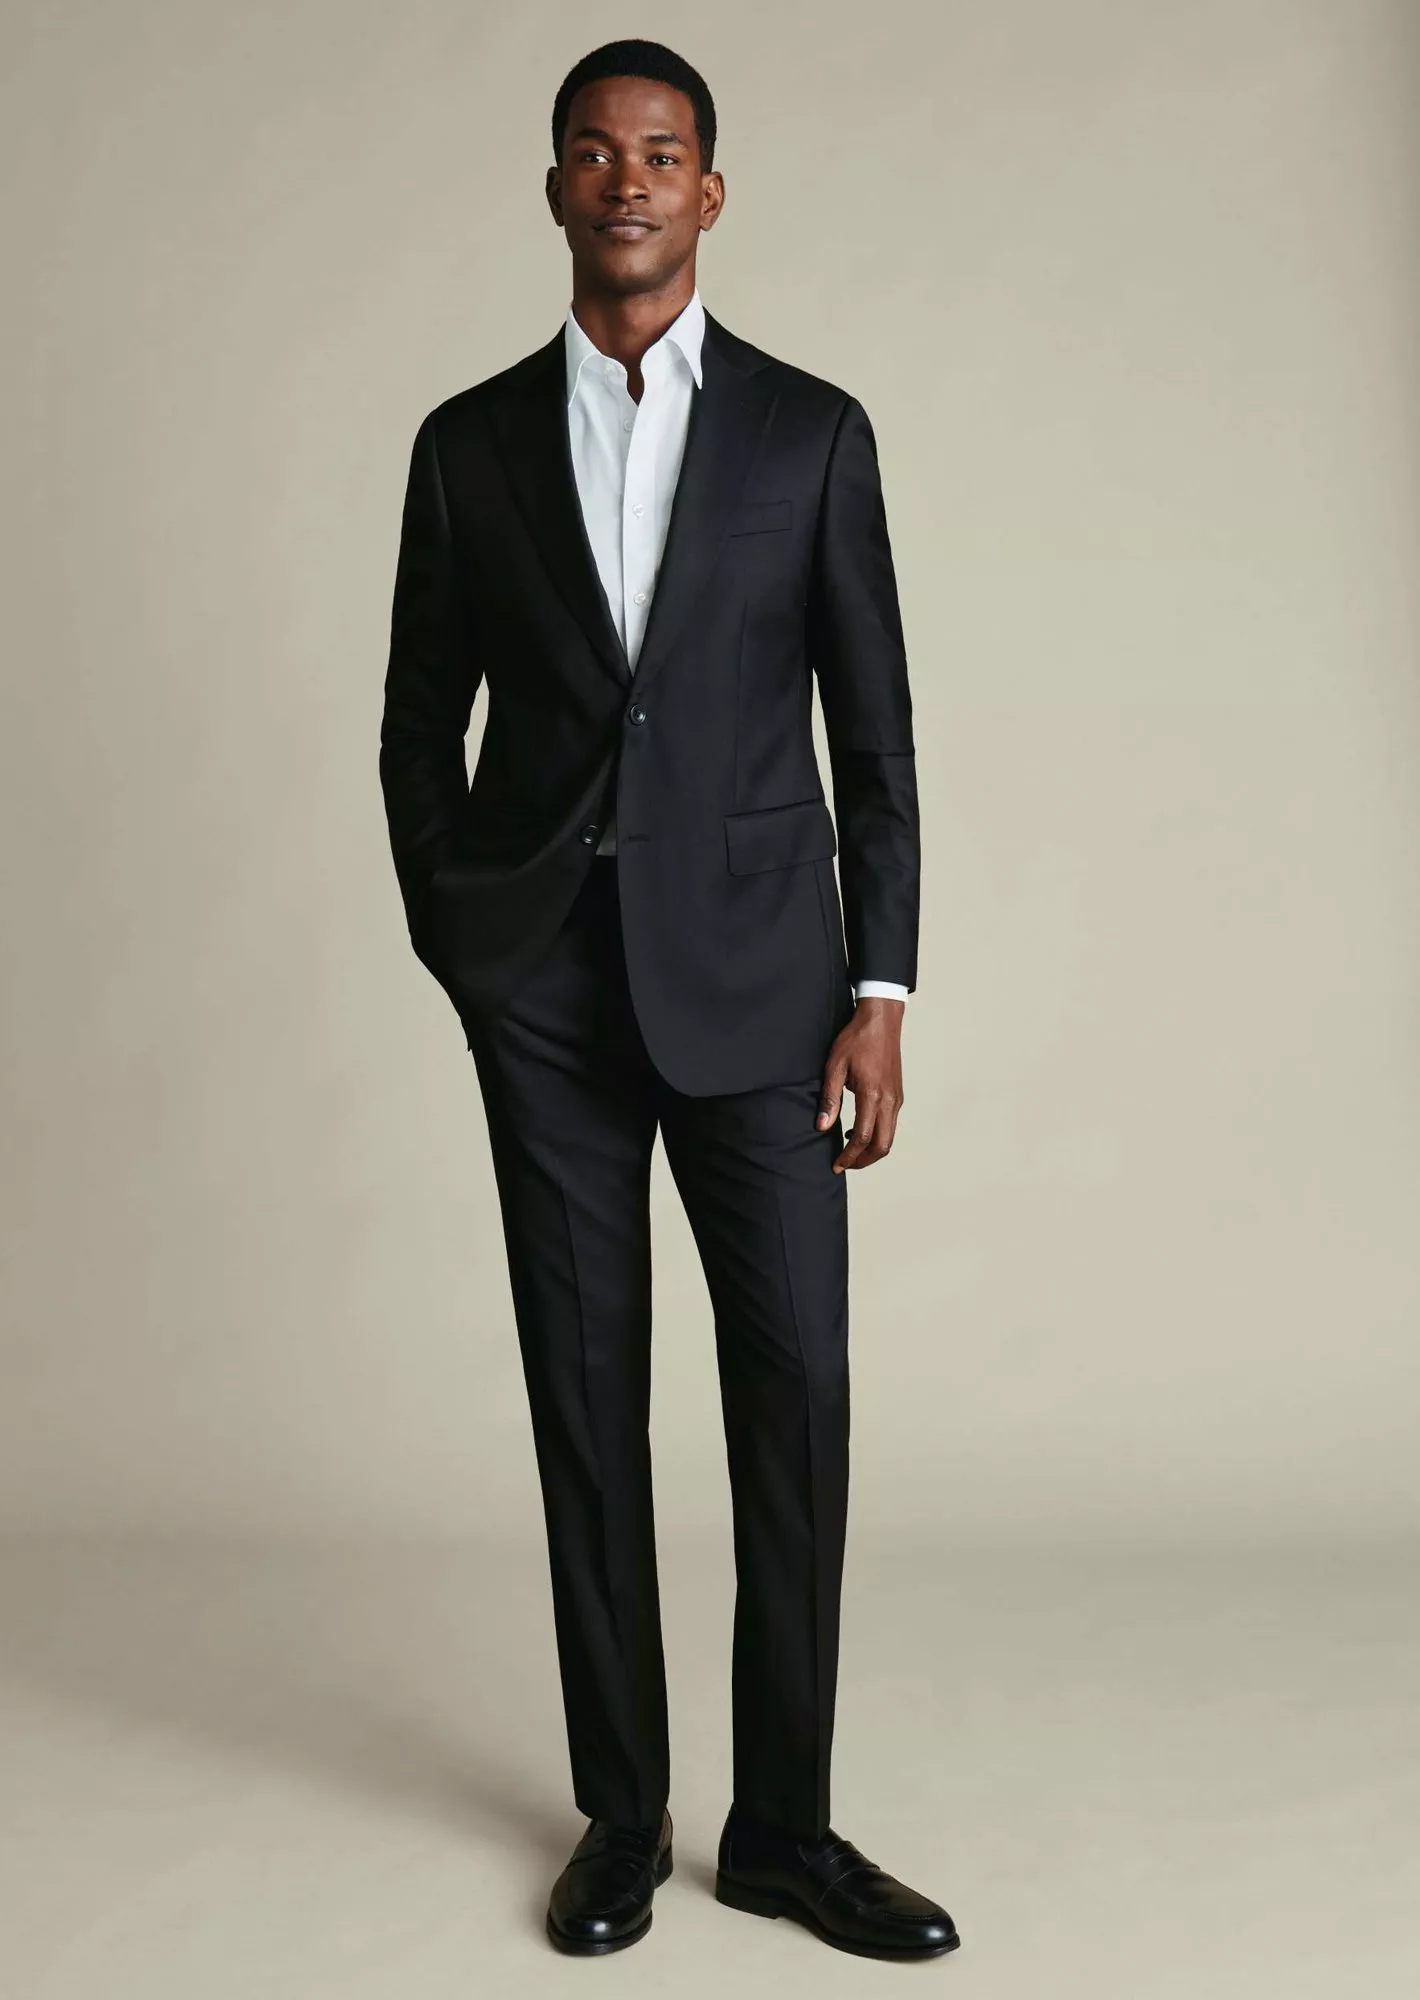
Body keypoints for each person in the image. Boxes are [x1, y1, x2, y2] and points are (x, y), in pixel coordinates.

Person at [379, 37, 959, 1962]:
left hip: (768, 994)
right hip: (547, 995)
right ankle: (622, 1812)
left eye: (662, 151)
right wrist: (464, 938)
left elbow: (876, 741)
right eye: (593, 151)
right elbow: (416, 722)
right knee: (585, 1395)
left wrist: (879, 985)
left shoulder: (811, 436)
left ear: (710, 192)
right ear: (555, 189)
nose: (626, 178)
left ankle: (782, 1827)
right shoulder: (466, 446)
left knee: (796, 1394)